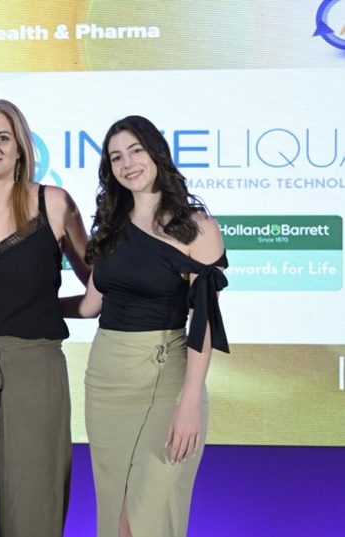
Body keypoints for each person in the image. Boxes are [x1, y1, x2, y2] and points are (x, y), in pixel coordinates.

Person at [71, 115, 228, 537]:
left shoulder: (197, 228)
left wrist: (189, 402)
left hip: (167, 376)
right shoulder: (110, 225)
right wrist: (25, 307)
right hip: (106, 380)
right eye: (116, 157)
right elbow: (90, 305)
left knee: (147, 516)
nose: (128, 163)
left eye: (136, 150)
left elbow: (203, 323)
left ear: (156, 152)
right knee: (115, 513)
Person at [0, 100, 90, 537]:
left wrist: (44, 307)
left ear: (21, 147)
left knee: (34, 496)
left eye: (3, 138)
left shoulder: (54, 203)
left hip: (35, 368)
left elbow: (98, 290)